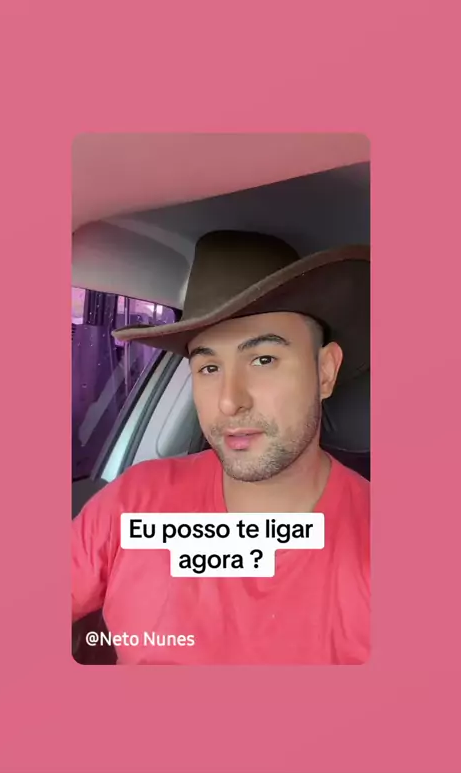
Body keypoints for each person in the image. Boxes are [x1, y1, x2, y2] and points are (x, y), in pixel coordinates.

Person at [72, 230, 370, 665]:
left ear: (324, 372)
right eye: (209, 367)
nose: (230, 401)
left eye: (263, 360)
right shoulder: (134, 501)